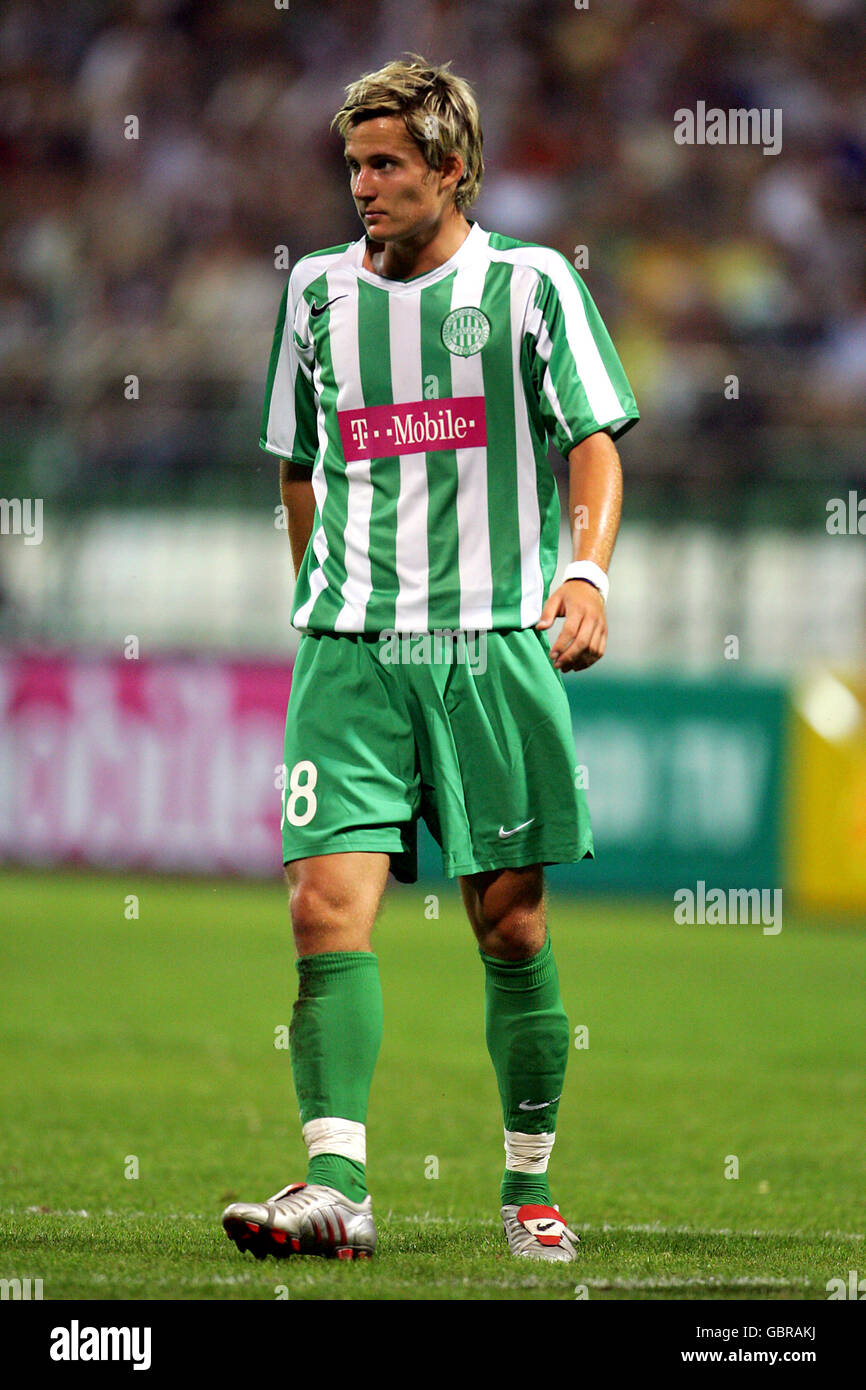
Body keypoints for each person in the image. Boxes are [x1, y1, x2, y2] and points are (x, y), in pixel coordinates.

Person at [222, 53, 638, 1264]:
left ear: (452, 168)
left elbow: (592, 438)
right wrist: (317, 591)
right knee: (321, 904)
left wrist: (584, 571)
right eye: (353, 164)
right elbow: (297, 458)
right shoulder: (312, 295)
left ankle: (525, 1189)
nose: (362, 185)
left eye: (387, 164)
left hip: (490, 644)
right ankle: (335, 1185)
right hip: (349, 651)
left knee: (506, 927)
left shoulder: (528, 285)